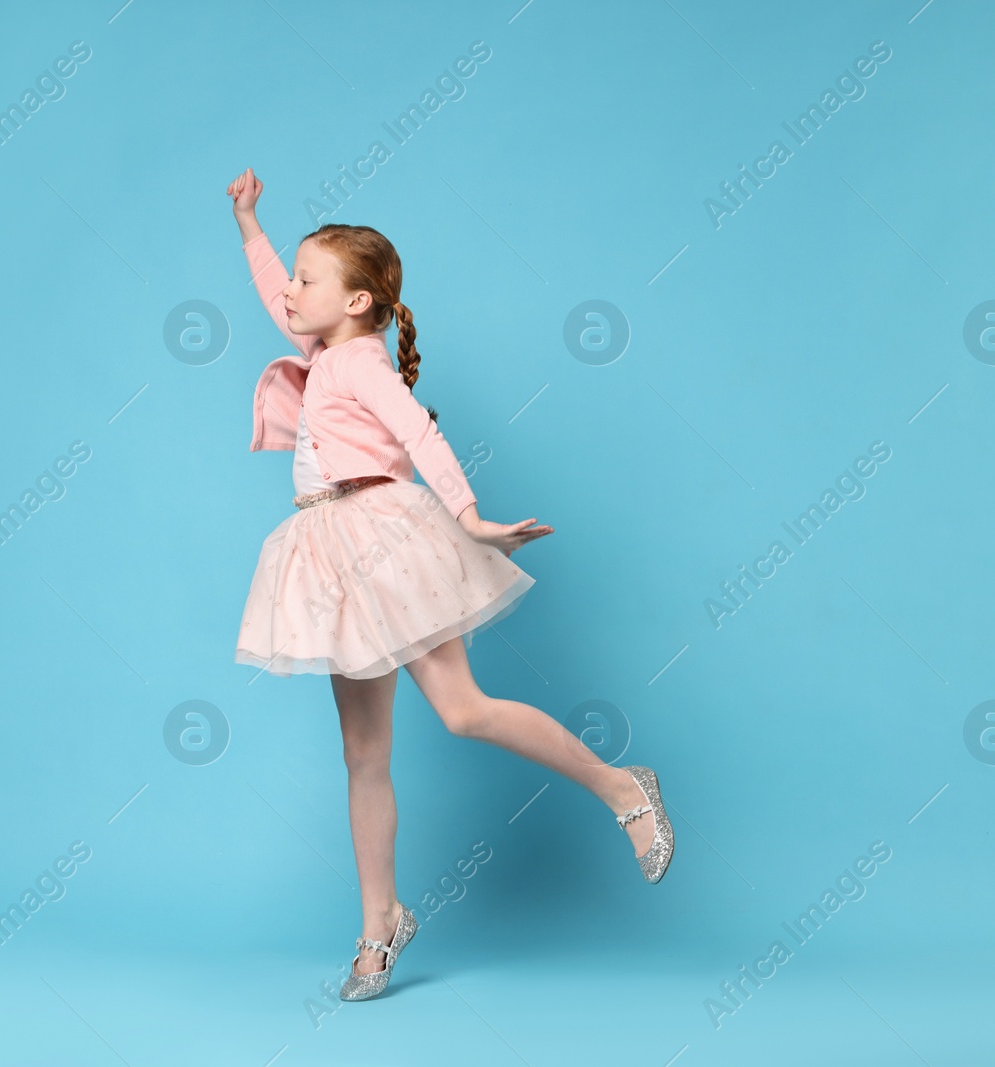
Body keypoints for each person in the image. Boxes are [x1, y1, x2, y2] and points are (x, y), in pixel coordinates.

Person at [226, 167, 673, 1001]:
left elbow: (419, 437)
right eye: (290, 276)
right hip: (330, 546)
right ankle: (378, 925)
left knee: (462, 710)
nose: (290, 292)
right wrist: (252, 225)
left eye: (308, 278)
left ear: (358, 301)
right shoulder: (323, 351)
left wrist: (466, 517)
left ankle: (622, 784)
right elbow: (272, 296)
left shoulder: (360, 367)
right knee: (363, 755)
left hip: (387, 537)